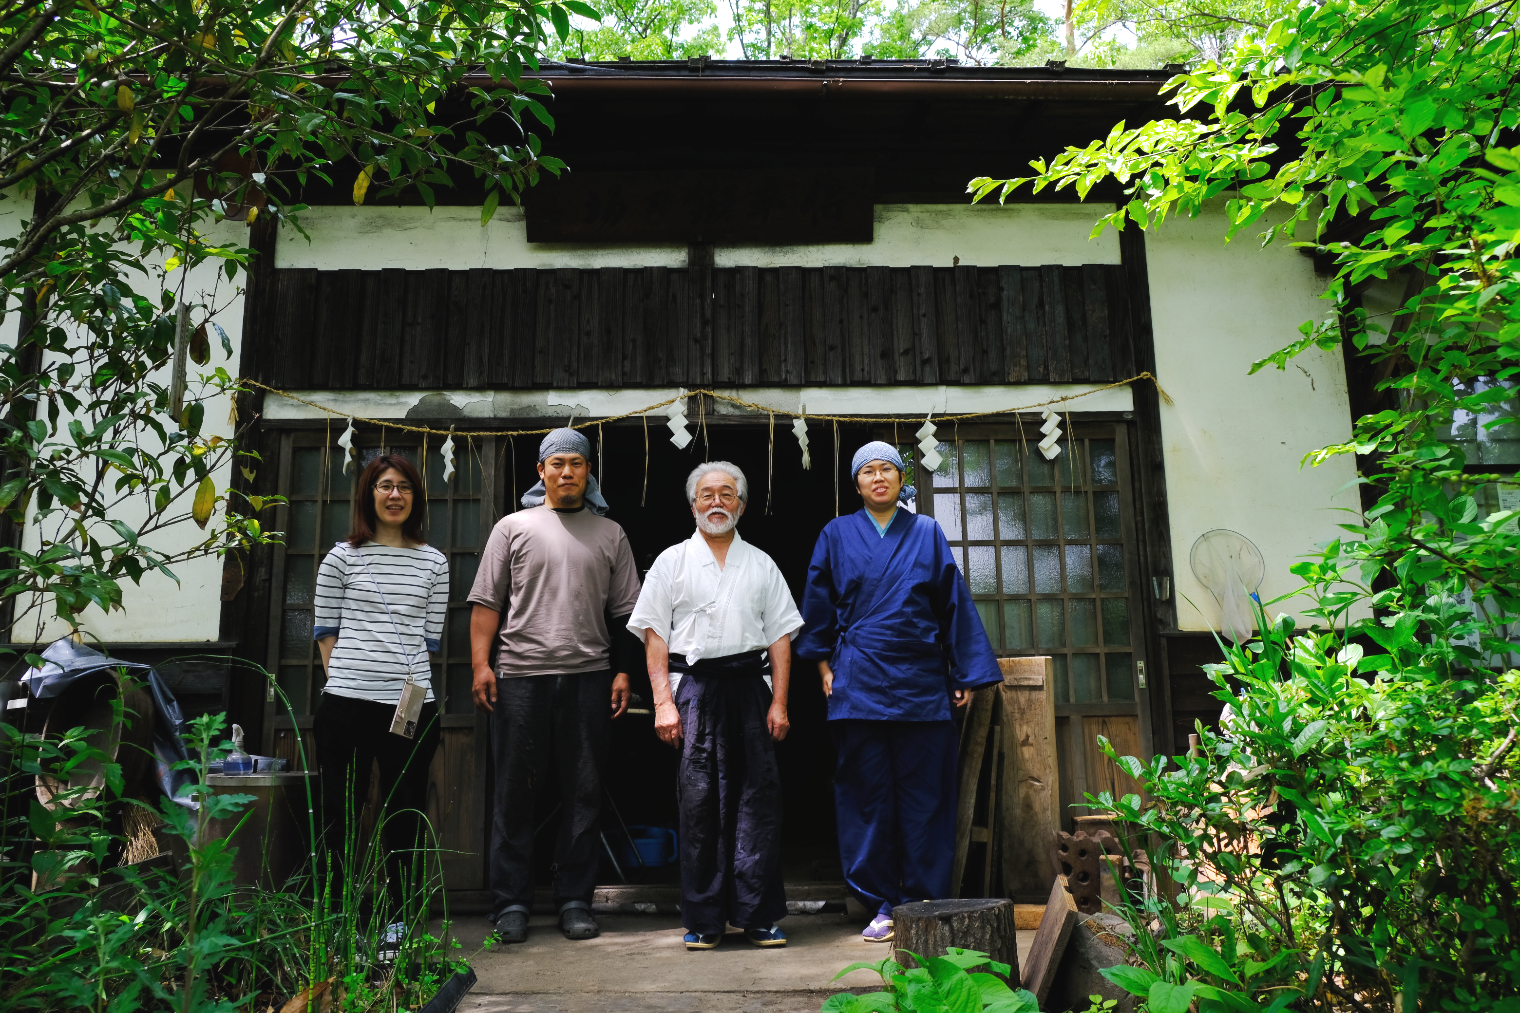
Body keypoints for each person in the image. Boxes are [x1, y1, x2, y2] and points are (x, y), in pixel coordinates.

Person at [795, 441, 1001, 943]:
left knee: (926, 795)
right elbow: (817, 607)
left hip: (920, 681)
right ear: (857, 483)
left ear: (900, 477)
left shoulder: (926, 531)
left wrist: (963, 674)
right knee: (865, 796)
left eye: (887, 468)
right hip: (858, 678)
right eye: (869, 471)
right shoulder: (836, 533)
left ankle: (924, 899)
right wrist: (824, 666)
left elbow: (953, 602)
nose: (879, 477)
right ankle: (883, 903)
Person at [469, 428, 641, 943]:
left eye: (577, 464)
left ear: (589, 473)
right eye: (557, 463)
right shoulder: (512, 527)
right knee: (515, 794)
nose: (567, 472)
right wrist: (482, 665)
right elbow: (486, 605)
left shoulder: (610, 533)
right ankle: (512, 903)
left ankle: (574, 899)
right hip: (520, 676)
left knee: (583, 792)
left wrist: (625, 671)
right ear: (541, 471)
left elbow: (629, 611)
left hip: (589, 676)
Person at [627, 462, 803, 950]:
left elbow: (782, 638)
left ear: (741, 505)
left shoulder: (762, 563)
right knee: (700, 805)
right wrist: (664, 703)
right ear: (693, 506)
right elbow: (654, 637)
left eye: (728, 494)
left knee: (758, 804)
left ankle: (758, 916)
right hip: (696, 691)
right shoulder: (671, 562)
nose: (717, 502)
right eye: (707, 495)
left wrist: (781, 702)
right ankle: (704, 920)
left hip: (750, 688)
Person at [313, 452, 449, 944]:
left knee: (405, 813)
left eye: (405, 487)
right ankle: (336, 920)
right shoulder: (341, 558)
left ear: (417, 498)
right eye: (385, 486)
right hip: (347, 704)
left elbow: (428, 641)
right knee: (338, 815)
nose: (395, 495)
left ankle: (398, 923)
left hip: (409, 706)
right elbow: (325, 633)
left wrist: (398, 690)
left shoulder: (434, 562)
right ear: (368, 495)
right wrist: (351, 684)